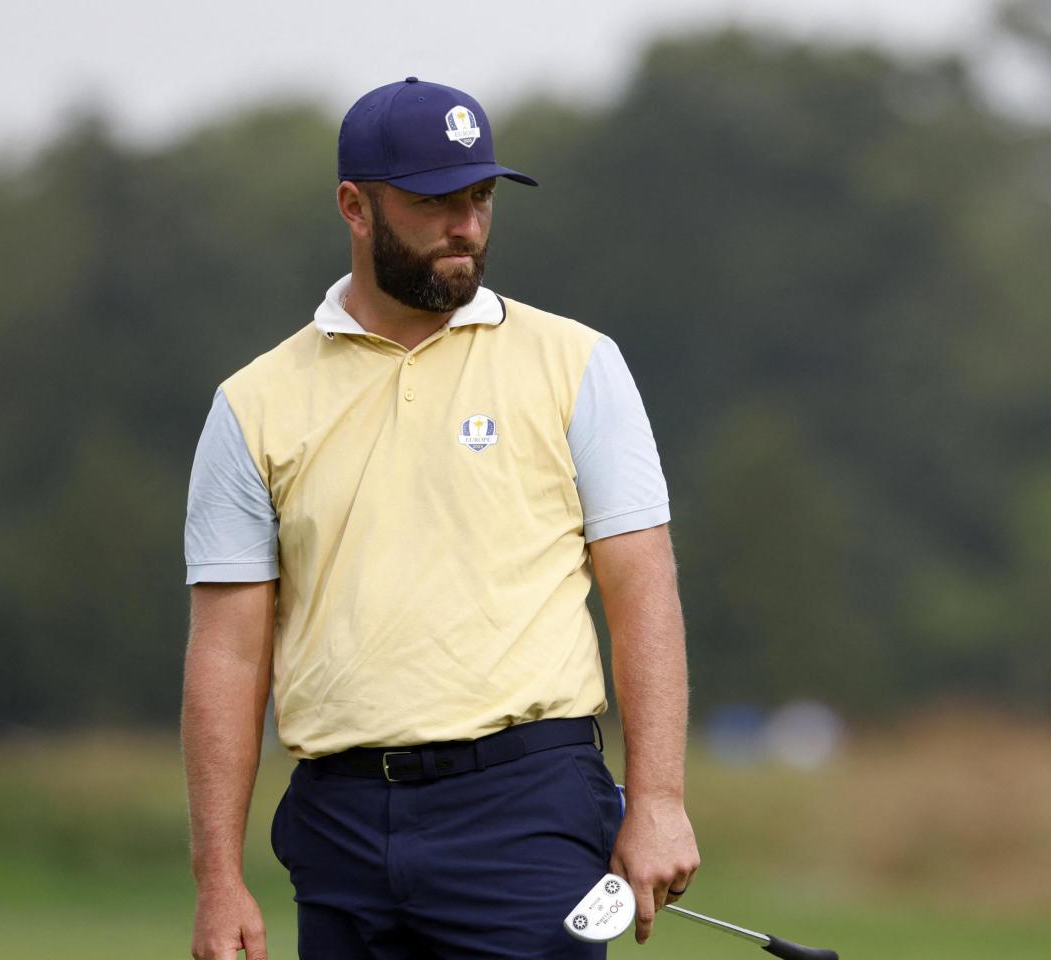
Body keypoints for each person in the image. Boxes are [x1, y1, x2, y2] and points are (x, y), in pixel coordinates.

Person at [180, 77, 699, 959]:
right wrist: (217, 878)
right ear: (355, 207)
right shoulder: (252, 404)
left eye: (481, 197)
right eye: (434, 202)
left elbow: (642, 589)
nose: (466, 225)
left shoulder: (578, 363)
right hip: (339, 821)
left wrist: (657, 801)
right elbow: (228, 654)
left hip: (528, 802)